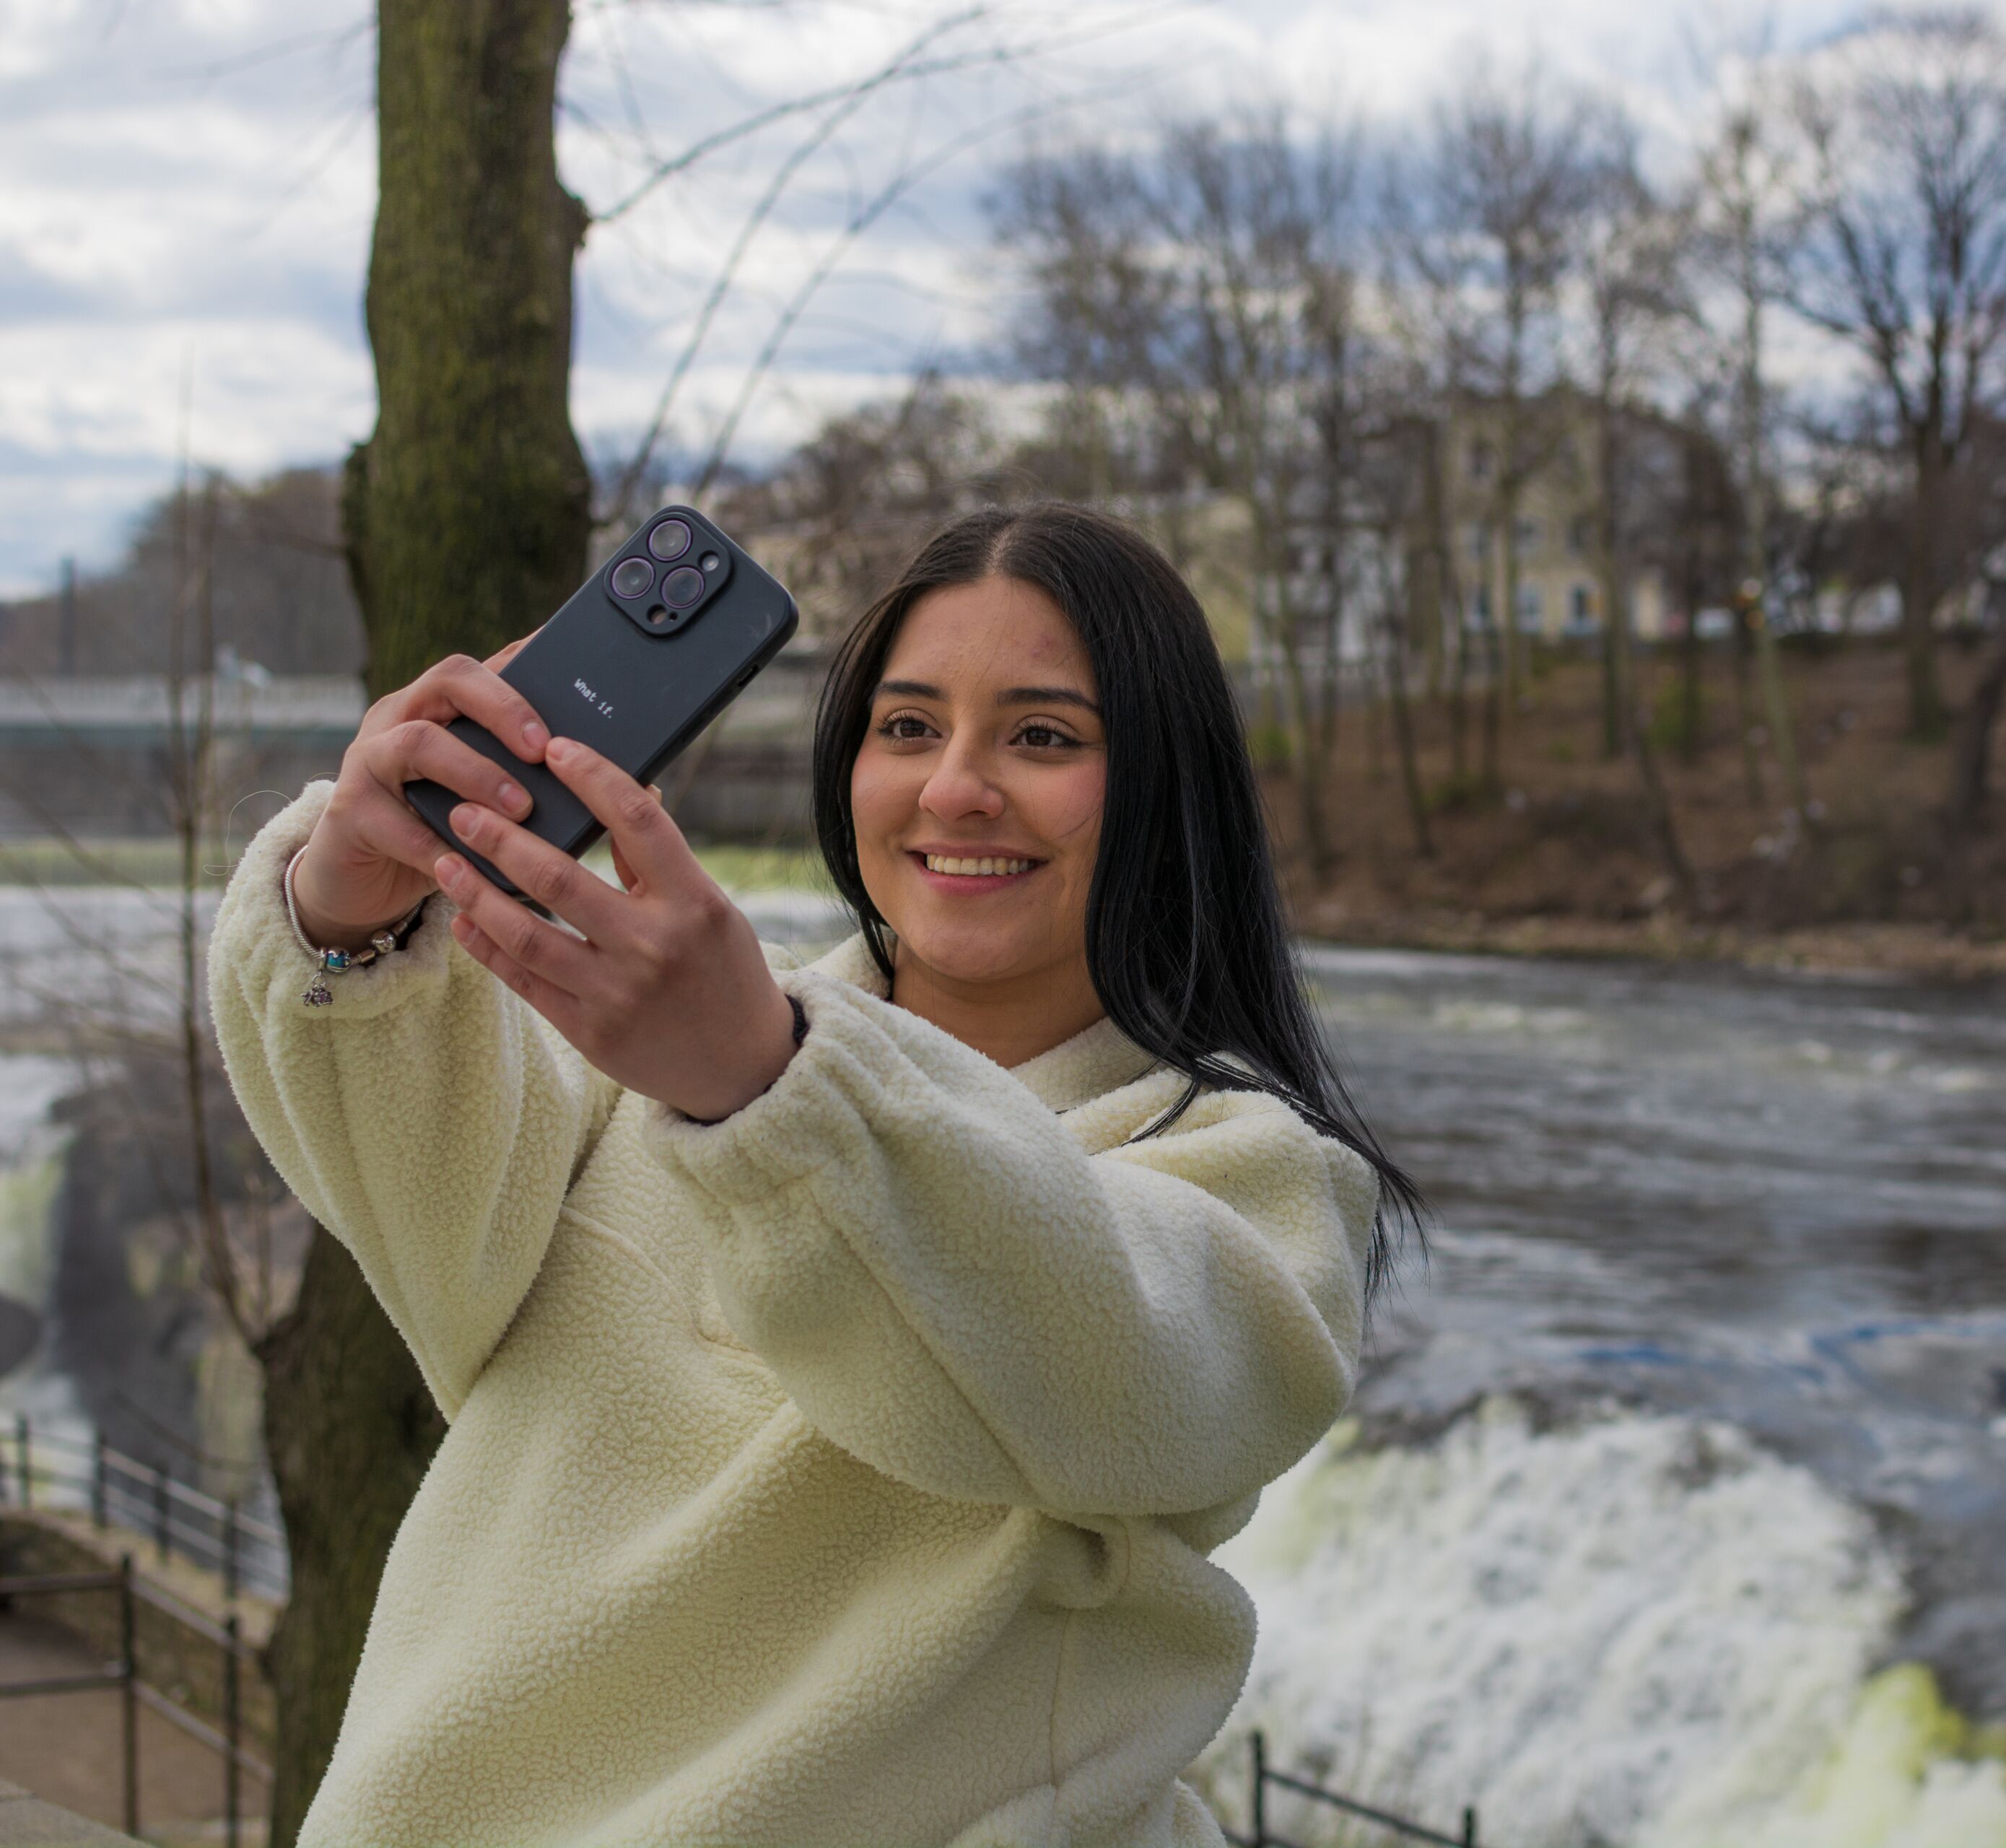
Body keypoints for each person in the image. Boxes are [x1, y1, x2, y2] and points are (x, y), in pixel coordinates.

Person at [211, 501, 1416, 1847]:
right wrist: (352, 906)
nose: (955, 786)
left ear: (1166, 784)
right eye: (907, 728)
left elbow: (1115, 1350)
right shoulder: (659, 1040)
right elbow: (407, 1169)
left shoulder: (1252, 1183)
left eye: (1044, 736)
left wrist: (772, 1092)